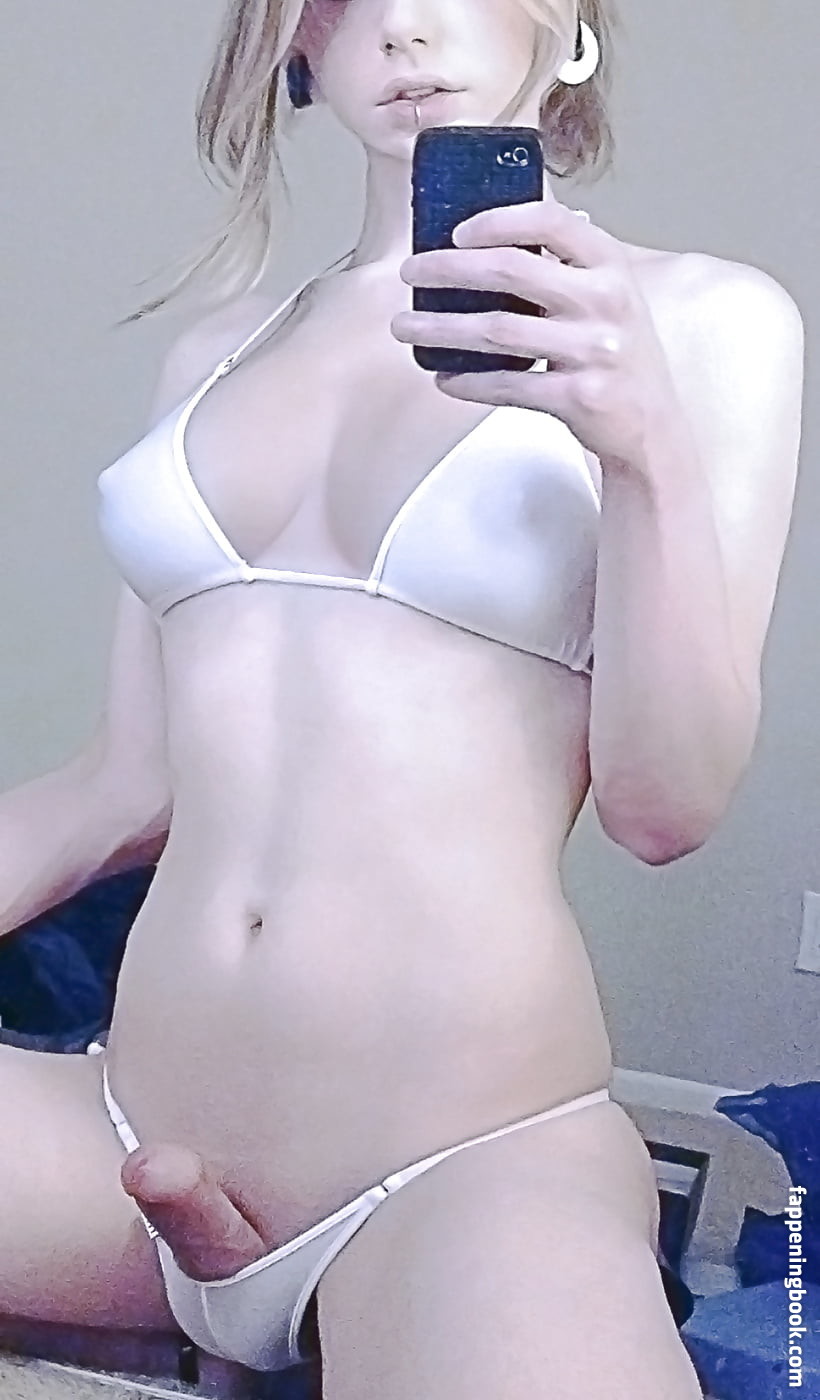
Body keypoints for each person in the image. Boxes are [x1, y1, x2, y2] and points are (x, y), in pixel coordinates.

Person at [0, 1, 805, 1397]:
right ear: (296, 48)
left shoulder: (699, 322)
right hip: (126, 1132)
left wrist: (644, 451)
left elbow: (665, 809)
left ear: (570, 28)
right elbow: (120, 788)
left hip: (459, 1165)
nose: (407, 25)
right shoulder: (216, 357)